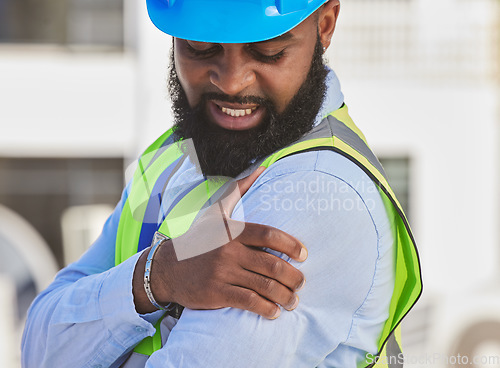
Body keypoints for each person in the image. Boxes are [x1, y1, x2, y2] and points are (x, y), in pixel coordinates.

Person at [22, 1, 422, 367]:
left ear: (325, 24)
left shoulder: (317, 191)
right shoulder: (171, 158)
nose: (232, 82)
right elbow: (40, 347)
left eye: (267, 51)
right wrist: (157, 275)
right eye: (201, 48)